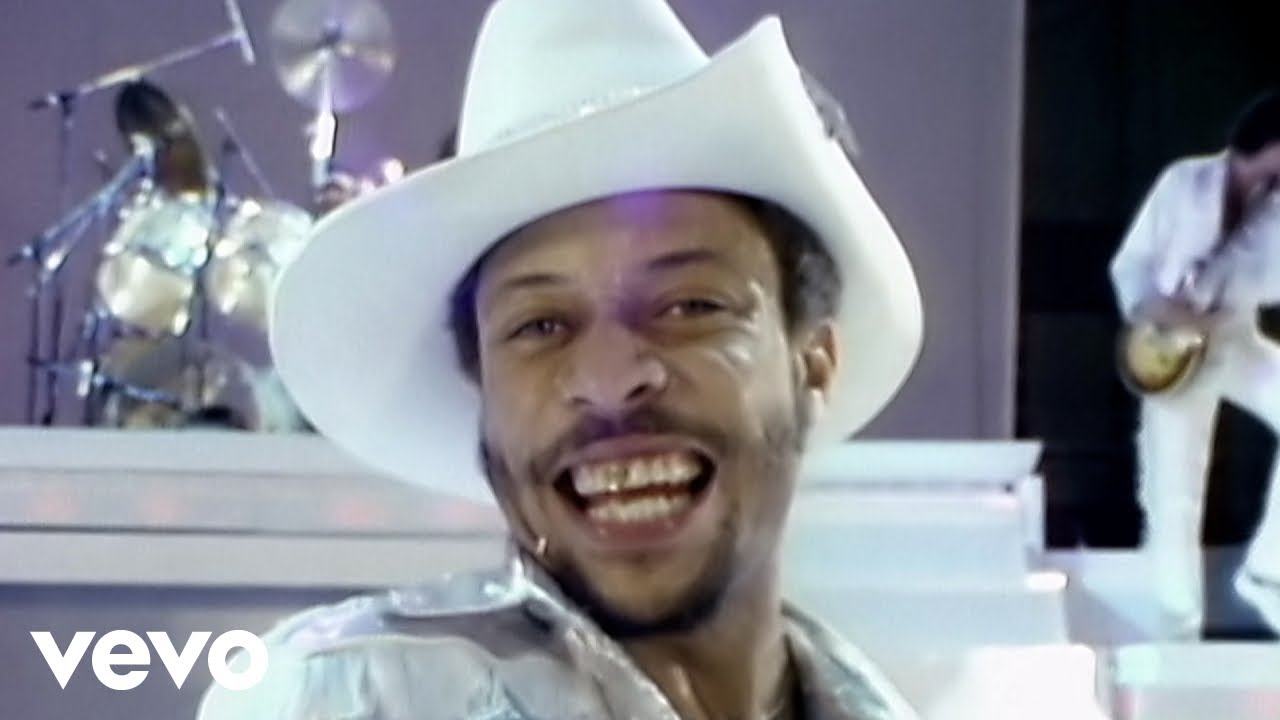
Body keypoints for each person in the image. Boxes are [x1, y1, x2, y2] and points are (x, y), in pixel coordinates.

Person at [197, 0, 924, 717]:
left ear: (813, 362)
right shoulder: (350, 699)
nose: (610, 381)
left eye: (689, 306)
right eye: (541, 325)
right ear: (482, 388)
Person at [1109, 88, 1280, 640]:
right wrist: (1156, 310)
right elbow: (1132, 263)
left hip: (1231, 339)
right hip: (1169, 346)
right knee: (1173, 489)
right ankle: (1176, 626)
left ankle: (1268, 572)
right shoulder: (1185, 182)